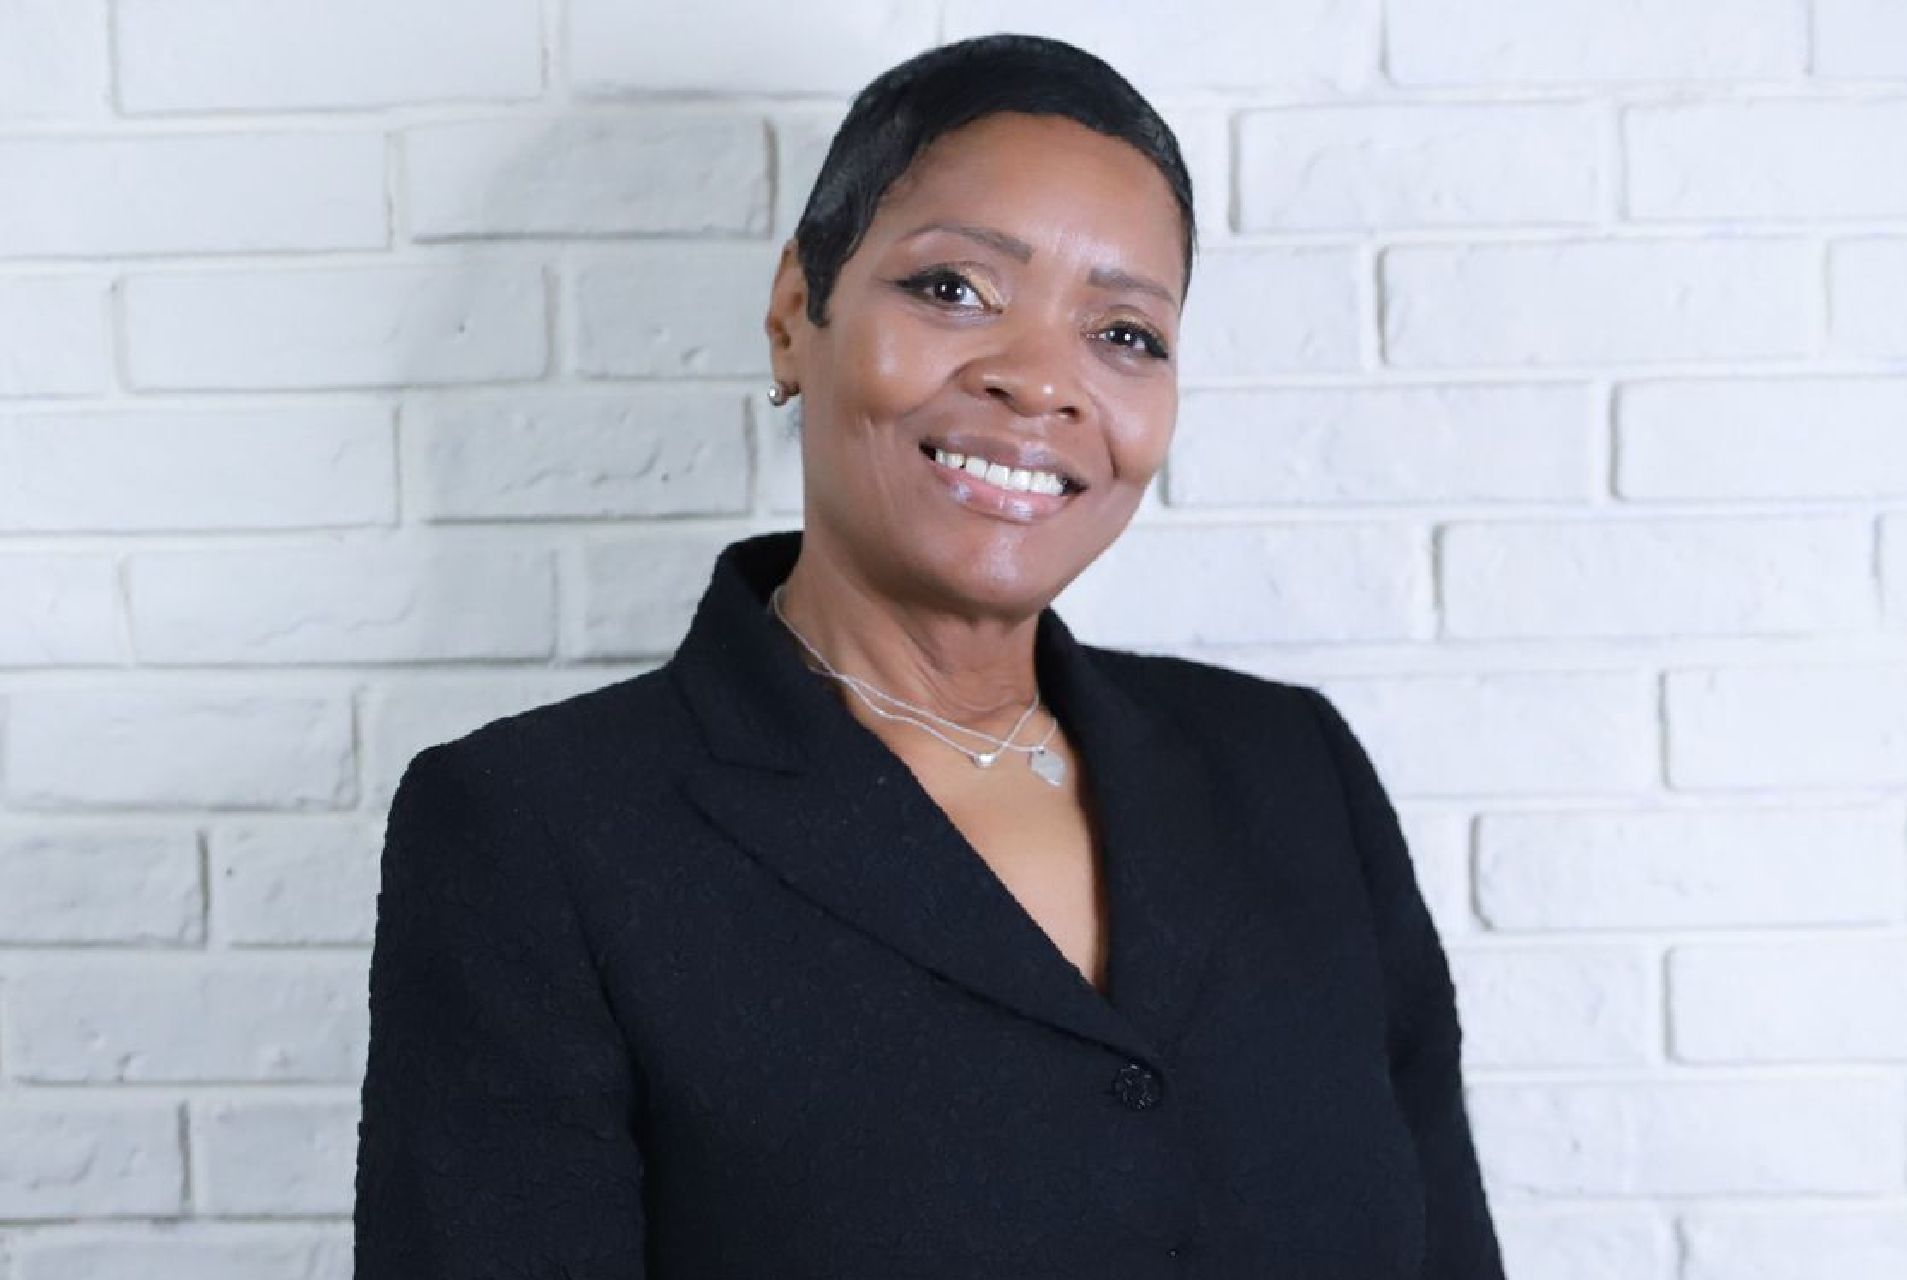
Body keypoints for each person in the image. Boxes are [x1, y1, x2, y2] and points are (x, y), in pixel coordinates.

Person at [352, 32, 1506, 1280]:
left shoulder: (1294, 774)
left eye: (1124, 333)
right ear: (798, 313)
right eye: (954, 288)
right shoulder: (540, 832)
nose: (1040, 382)